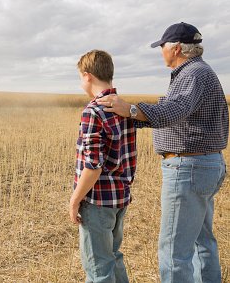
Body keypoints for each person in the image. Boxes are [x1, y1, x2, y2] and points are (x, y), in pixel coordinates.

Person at [96, 22, 228, 283]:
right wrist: (133, 116)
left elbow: (172, 111)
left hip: (189, 169)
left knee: (174, 253)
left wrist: (130, 110)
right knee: (203, 242)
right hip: (204, 165)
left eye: (162, 47)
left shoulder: (193, 74)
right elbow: (174, 113)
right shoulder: (199, 72)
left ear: (176, 48)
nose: (161, 52)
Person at [70, 49, 137, 283]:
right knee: (113, 257)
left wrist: (75, 199)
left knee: (98, 269)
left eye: (80, 77)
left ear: (87, 76)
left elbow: (93, 165)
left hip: (97, 201)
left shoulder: (93, 111)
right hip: (119, 198)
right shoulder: (123, 108)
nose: (81, 83)